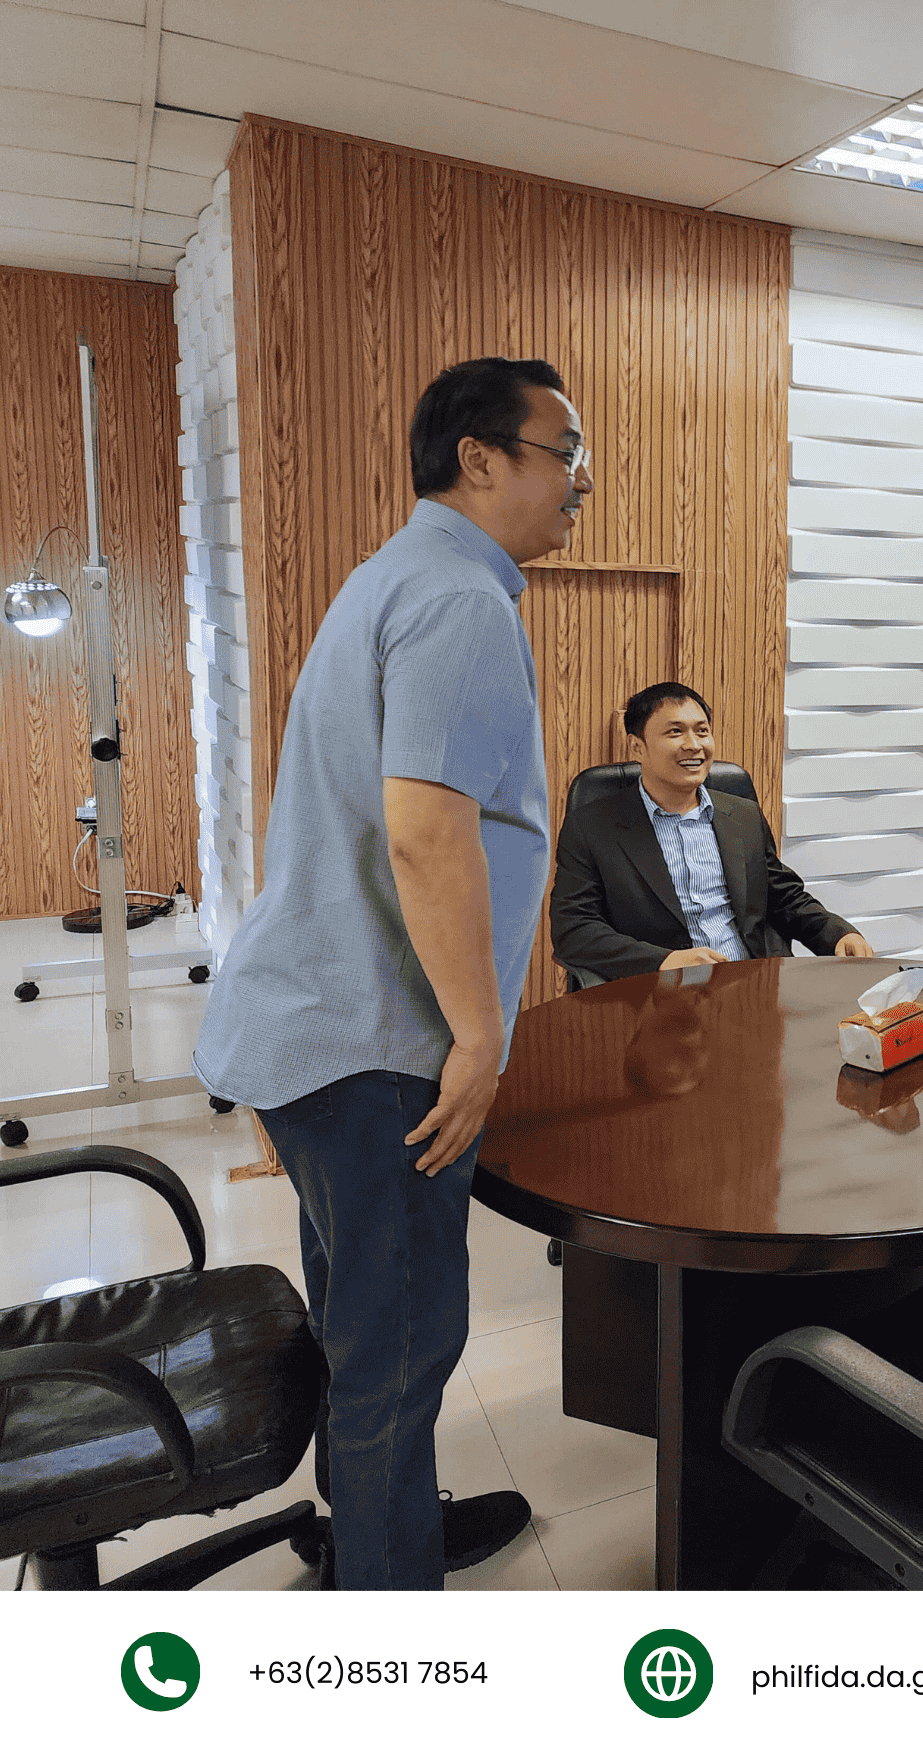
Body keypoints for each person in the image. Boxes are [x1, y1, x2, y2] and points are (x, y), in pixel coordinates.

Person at [193, 356, 594, 1590]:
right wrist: (478, 1036)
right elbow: (428, 833)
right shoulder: (460, 600)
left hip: (305, 1030)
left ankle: (385, 1522)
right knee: (404, 1347)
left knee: (365, 1322)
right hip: (372, 1046)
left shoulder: (395, 575)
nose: (581, 482)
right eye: (563, 452)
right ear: (481, 458)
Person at [549, 683, 874, 982]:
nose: (693, 746)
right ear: (638, 747)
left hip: (754, 989)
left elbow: (783, 896)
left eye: (702, 731)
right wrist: (665, 961)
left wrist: (838, 933)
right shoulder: (592, 827)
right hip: (659, 999)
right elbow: (574, 930)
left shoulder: (742, 814)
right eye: (675, 732)